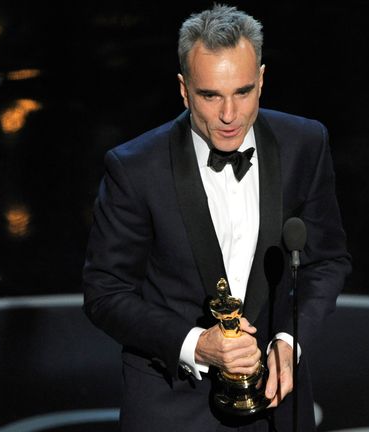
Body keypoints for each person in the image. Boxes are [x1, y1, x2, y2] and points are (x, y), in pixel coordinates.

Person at [81, 4, 351, 431]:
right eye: (211, 96)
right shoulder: (135, 168)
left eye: (243, 92)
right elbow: (104, 292)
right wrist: (196, 344)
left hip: (277, 404)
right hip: (172, 405)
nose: (230, 115)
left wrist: (289, 343)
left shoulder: (305, 144)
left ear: (261, 80)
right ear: (184, 90)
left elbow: (327, 261)